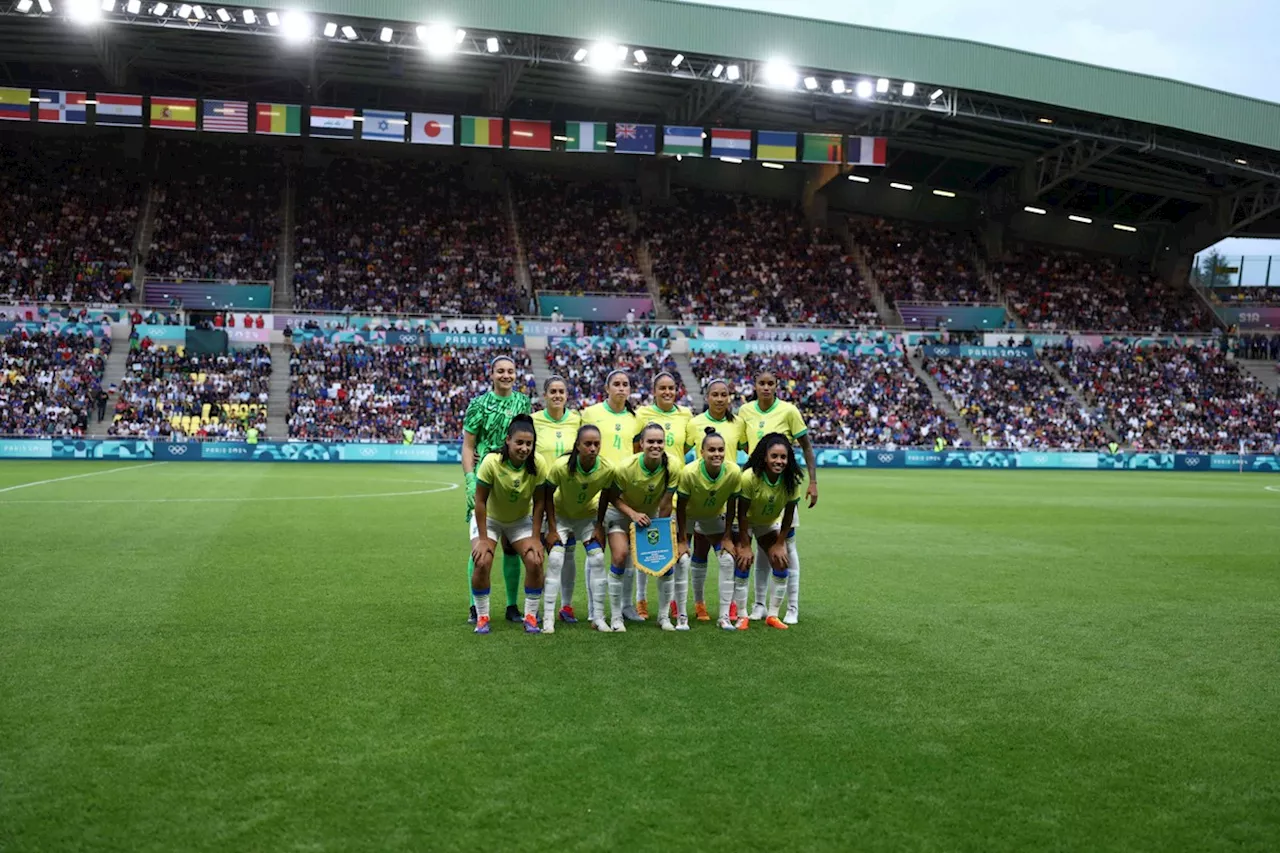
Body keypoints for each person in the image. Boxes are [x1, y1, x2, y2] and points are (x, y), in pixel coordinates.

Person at [742, 370, 817, 625]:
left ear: (776, 386)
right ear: (755, 385)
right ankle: (760, 605)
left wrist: (813, 482)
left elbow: (806, 445)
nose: (765, 387)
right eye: (761, 383)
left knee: (787, 548)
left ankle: (792, 607)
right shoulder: (745, 411)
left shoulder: (789, 411)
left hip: (781, 486)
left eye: (770, 384)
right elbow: (745, 445)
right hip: (758, 488)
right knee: (762, 551)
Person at [461, 355, 532, 625]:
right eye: (500, 371)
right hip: (484, 480)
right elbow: (468, 445)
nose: (506, 375)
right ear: (491, 374)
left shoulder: (523, 402)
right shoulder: (478, 404)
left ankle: (512, 606)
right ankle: (473, 606)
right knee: (480, 546)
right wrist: (469, 478)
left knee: (511, 546)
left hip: (514, 480)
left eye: (510, 371)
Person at [471, 415, 546, 635]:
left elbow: (540, 502)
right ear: (508, 440)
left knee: (534, 560)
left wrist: (535, 537)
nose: (524, 448)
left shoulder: (538, 464)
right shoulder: (491, 462)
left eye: (529, 444)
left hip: (519, 521)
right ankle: (482, 616)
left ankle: (530, 616)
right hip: (490, 520)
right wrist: (484, 539)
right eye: (519, 443)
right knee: (482, 561)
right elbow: (480, 501)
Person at [598, 423, 675, 631]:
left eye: (659, 441)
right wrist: (632, 514)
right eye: (650, 441)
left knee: (666, 561)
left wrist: (661, 529)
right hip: (621, 515)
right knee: (621, 556)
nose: (655, 446)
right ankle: (616, 617)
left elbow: (667, 503)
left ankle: (663, 617)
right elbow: (612, 497)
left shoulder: (673, 466)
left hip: (651, 517)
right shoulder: (626, 468)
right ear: (641, 444)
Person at [542, 424, 614, 633]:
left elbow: (606, 496)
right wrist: (552, 528)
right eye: (588, 444)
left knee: (598, 559)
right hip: (561, 516)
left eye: (596, 444)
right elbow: (547, 495)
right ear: (577, 446)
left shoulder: (607, 468)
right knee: (556, 559)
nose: (593, 448)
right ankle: (548, 618)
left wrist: (599, 525)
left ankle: (598, 617)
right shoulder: (561, 467)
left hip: (586, 517)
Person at [634, 371, 692, 619]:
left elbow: (686, 447)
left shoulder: (686, 415)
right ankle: (641, 599)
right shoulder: (642, 414)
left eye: (672, 388)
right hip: (646, 493)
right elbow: (636, 445)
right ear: (654, 390)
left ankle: (672, 604)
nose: (667, 392)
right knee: (643, 547)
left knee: (672, 551)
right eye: (662, 388)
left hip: (674, 490)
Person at [734, 433, 803, 631]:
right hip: (744, 522)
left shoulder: (791, 481)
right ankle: (742, 615)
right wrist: (745, 545)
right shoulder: (749, 477)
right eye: (774, 456)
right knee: (743, 561)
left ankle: (772, 615)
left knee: (781, 562)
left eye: (783, 457)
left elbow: (789, 515)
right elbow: (742, 513)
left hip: (767, 523)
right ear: (765, 457)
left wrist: (780, 543)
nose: (779, 461)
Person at [675, 428, 741, 630]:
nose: (717, 454)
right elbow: (681, 507)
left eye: (721, 450)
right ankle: (682, 617)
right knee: (683, 559)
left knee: (728, 560)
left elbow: (732, 506)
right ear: (701, 452)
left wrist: (728, 536)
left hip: (713, 515)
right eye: (711, 450)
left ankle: (724, 617)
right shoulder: (689, 472)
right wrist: (682, 540)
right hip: (688, 515)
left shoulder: (733, 472)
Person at [533, 376, 584, 624]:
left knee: (568, 554)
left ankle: (566, 606)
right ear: (544, 395)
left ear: (567, 395)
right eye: (552, 391)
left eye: (561, 391)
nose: (557, 395)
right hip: (541, 497)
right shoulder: (534, 421)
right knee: (543, 555)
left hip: (568, 498)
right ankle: (541, 604)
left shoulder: (577, 421)